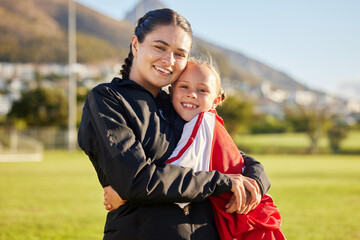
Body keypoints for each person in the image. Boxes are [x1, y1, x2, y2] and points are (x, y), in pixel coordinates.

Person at [78, 8, 270, 240]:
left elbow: (230, 157)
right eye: (160, 47)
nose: (169, 61)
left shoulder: (180, 103)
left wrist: (256, 181)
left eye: (180, 53)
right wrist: (222, 181)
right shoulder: (108, 99)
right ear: (136, 45)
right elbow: (137, 180)